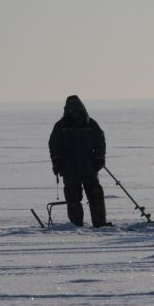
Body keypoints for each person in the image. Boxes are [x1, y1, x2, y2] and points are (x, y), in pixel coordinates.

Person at [48, 95, 109, 227]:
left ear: (81, 109)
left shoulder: (91, 124)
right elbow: (54, 145)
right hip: (69, 168)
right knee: (72, 197)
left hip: (89, 167)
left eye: (76, 109)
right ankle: (76, 225)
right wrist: (56, 161)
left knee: (95, 195)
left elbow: (100, 142)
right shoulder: (60, 126)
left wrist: (99, 158)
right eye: (71, 110)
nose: (74, 113)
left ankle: (99, 223)